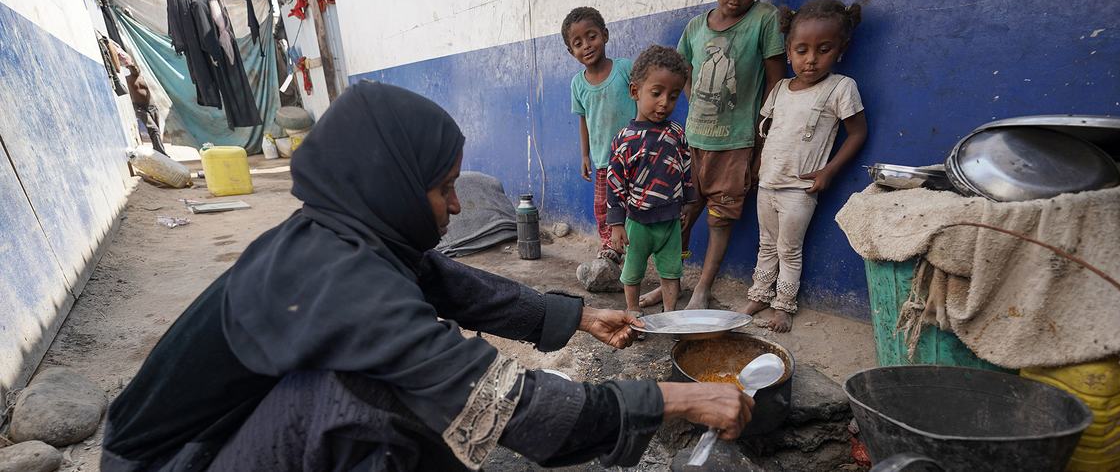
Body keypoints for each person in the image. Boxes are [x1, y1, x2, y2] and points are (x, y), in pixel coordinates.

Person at [101, 82, 754, 471]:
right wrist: (677, 399)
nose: (459, 205)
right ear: (389, 182)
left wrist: (577, 315)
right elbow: (505, 405)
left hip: (213, 438)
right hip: (172, 463)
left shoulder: (336, 233)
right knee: (360, 402)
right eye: (444, 188)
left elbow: (443, 282)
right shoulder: (343, 285)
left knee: (401, 392)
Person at [642, 0, 785, 310]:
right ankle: (670, 282)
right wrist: (694, 102)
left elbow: (774, 82)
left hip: (735, 144)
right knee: (681, 218)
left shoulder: (764, 20)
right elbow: (681, 71)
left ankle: (703, 288)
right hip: (692, 144)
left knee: (720, 221)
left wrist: (760, 139)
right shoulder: (694, 27)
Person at [739, 0, 869, 331]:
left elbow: (857, 133)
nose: (810, 60)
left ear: (841, 49)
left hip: (800, 188)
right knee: (766, 243)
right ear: (788, 49)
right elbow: (765, 132)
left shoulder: (841, 87)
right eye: (801, 50)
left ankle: (783, 305)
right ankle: (759, 293)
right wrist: (756, 166)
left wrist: (828, 171)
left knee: (788, 248)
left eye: (823, 50)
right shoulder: (780, 88)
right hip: (767, 181)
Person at [606, 46, 696, 316]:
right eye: (656, 93)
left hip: (670, 221)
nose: (664, 103)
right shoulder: (624, 139)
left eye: (673, 96)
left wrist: (688, 205)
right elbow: (615, 183)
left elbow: (686, 170)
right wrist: (616, 224)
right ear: (635, 92)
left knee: (671, 272)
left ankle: (670, 316)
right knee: (632, 272)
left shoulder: (676, 133)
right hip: (638, 223)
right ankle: (633, 312)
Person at [564, 7, 638, 263]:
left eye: (592, 36)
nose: (586, 45)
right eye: (578, 43)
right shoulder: (577, 84)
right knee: (604, 208)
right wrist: (585, 155)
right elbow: (583, 119)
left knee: (636, 206)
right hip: (604, 161)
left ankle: (636, 251)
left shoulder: (625, 69)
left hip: (635, 158)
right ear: (571, 52)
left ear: (605, 35)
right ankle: (612, 250)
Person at [125, 63, 168, 156]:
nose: (135, 69)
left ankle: (157, 150)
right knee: (154, 129)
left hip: (152, 106)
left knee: (156, 131)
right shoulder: (127, 79)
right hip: (140, 108)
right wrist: (129, 64)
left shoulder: (146, 77)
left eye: (136, 67)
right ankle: (162, 153)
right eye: (132, 68)